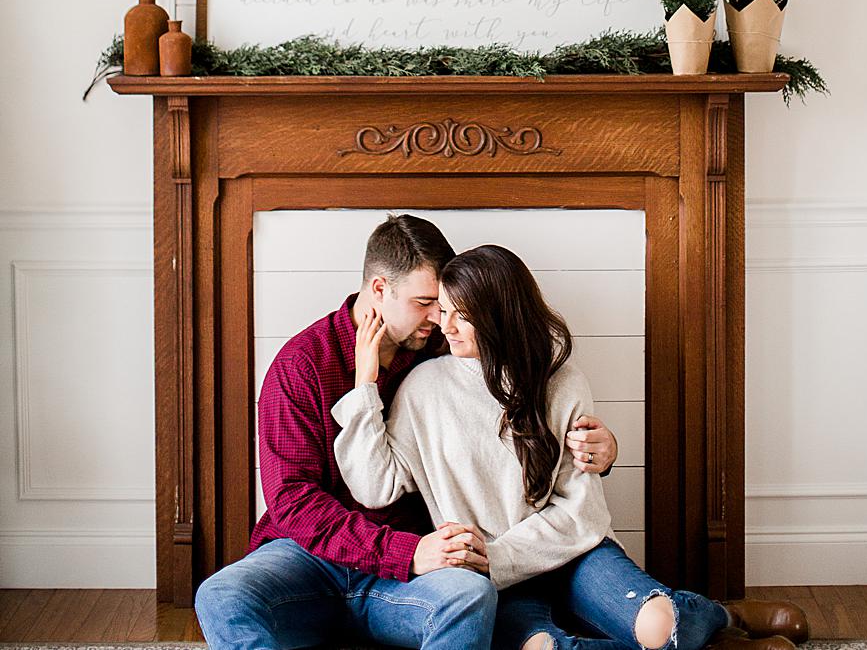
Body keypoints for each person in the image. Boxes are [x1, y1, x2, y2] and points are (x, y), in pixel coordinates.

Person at [332, 244, 810, 650]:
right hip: (493, 579)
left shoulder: (561, 383)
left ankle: (719, 618)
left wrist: (500, 554)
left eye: (463, 315)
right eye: (443, 311)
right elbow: (375, 488)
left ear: (499, 317)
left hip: (575, 555)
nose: (445, 326)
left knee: (659, 624)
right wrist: (365, 384)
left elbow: (580, 512)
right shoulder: (423, 389)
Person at [195, 215, 618, 650]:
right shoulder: (302, 365)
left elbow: (521, 421)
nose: (439, 318)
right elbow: (293, 502)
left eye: (445, 304)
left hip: (413, 572)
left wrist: (596, 450)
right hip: (311, 560)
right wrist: (402, 552)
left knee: (470, 595)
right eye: (424, 302)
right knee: (220, 596)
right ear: (380, 289)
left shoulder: (448, 347)